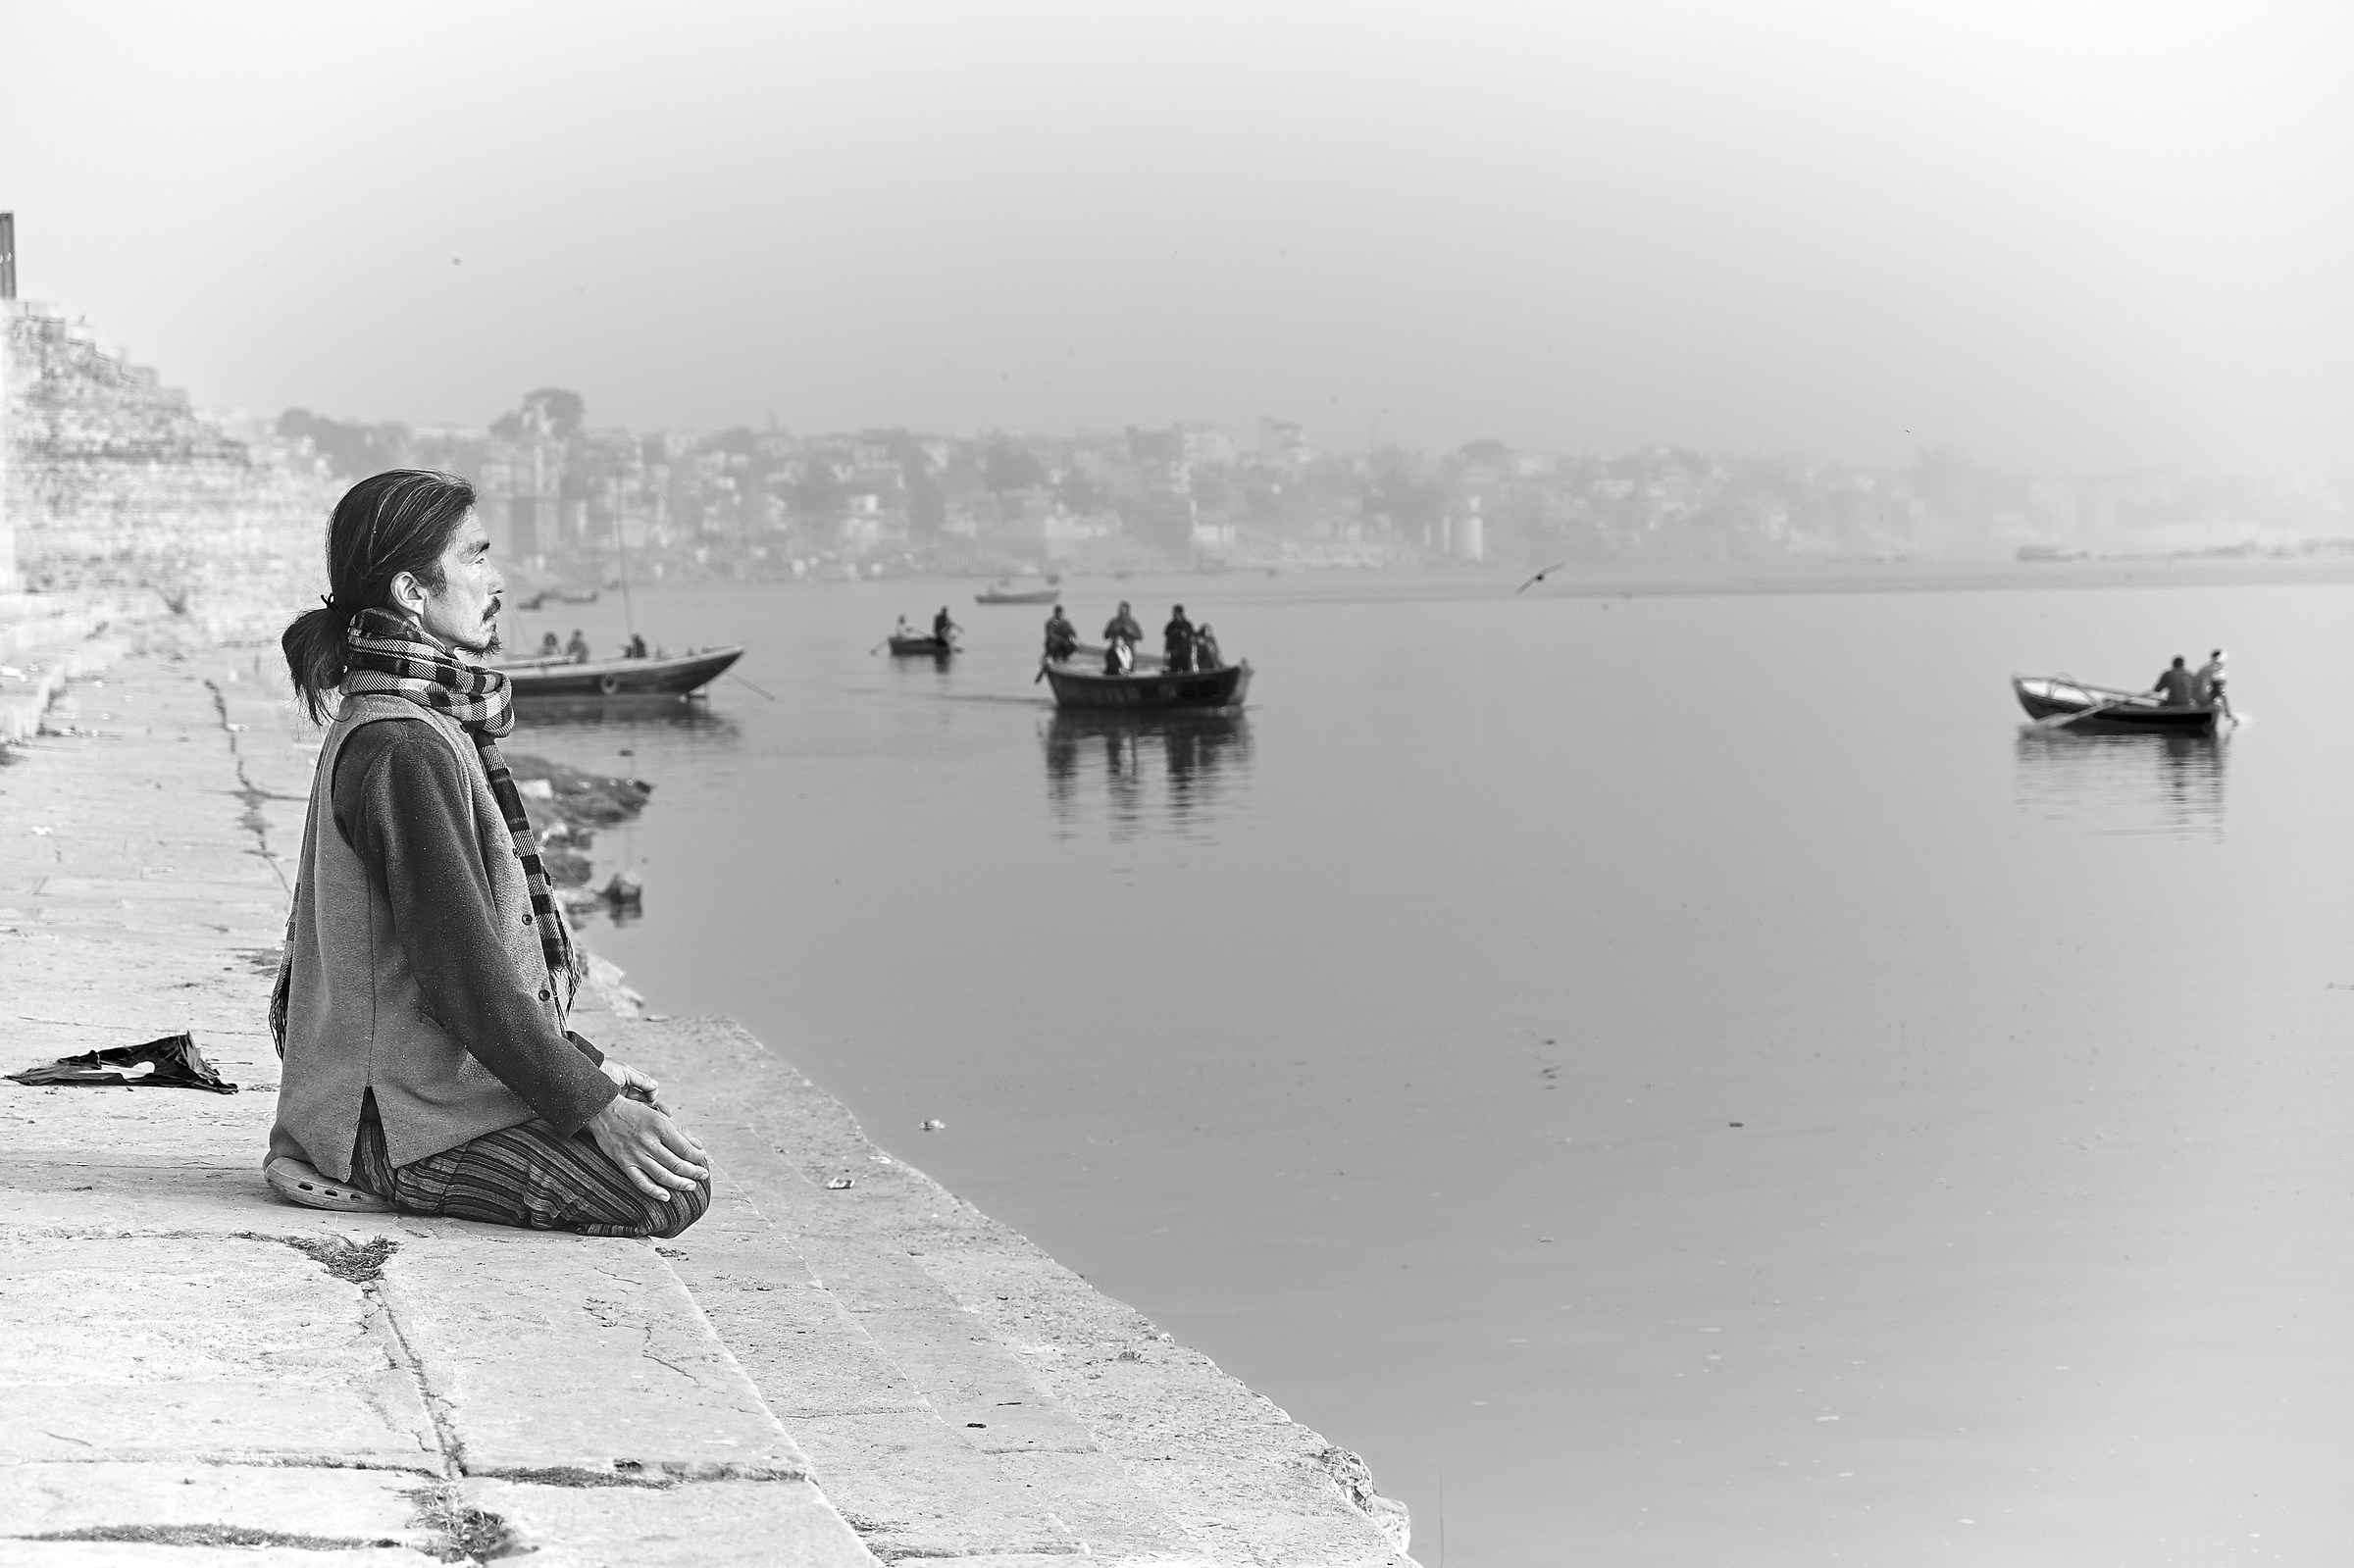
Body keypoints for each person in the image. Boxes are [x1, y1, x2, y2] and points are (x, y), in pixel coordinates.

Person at [267, 469, 709, 1238]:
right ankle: (366, 1169)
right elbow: (463, 974)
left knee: (657, 1137)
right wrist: (593, 1105)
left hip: (406, 1089)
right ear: (411, 590)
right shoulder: (404, 746)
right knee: (668, 1194)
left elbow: (456, 962)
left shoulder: (423, 721)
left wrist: (587, 1068)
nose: (496, 581)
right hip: (391, 1123)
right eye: (475, 558)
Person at [1101, 600, 1144, 675]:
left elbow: (1140, 637)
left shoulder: (1132, 623)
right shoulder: (1114, 622)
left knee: (1129, 670)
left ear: (1127, 611)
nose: (1121, 612)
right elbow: (1106, 635)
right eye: (1120, 610)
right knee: (1114, 669)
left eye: (1123, 610)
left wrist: (1130, 632)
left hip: (1128, 650)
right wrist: (1116, 632)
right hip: (1115, 650)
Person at [2196, 647, 2232, 719]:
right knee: (2220, 690)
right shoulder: (2218, 671)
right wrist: (2228, 713)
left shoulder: (2204, 668)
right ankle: (2224, 713)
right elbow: (2222, 693)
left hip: (2195, 698)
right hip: (2204, 698)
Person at [1162, 605, 1195, 674]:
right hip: (1174, 654)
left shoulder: (1187, 625)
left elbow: (1191, 639)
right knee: (1173, 674)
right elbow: (1168, 640)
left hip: (1185, 654)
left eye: (1175, 612)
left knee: (1186, 674)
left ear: (1180, 613)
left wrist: (1192, 654)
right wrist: (1166, 652)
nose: (1173, 614)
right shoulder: (1170, 625)